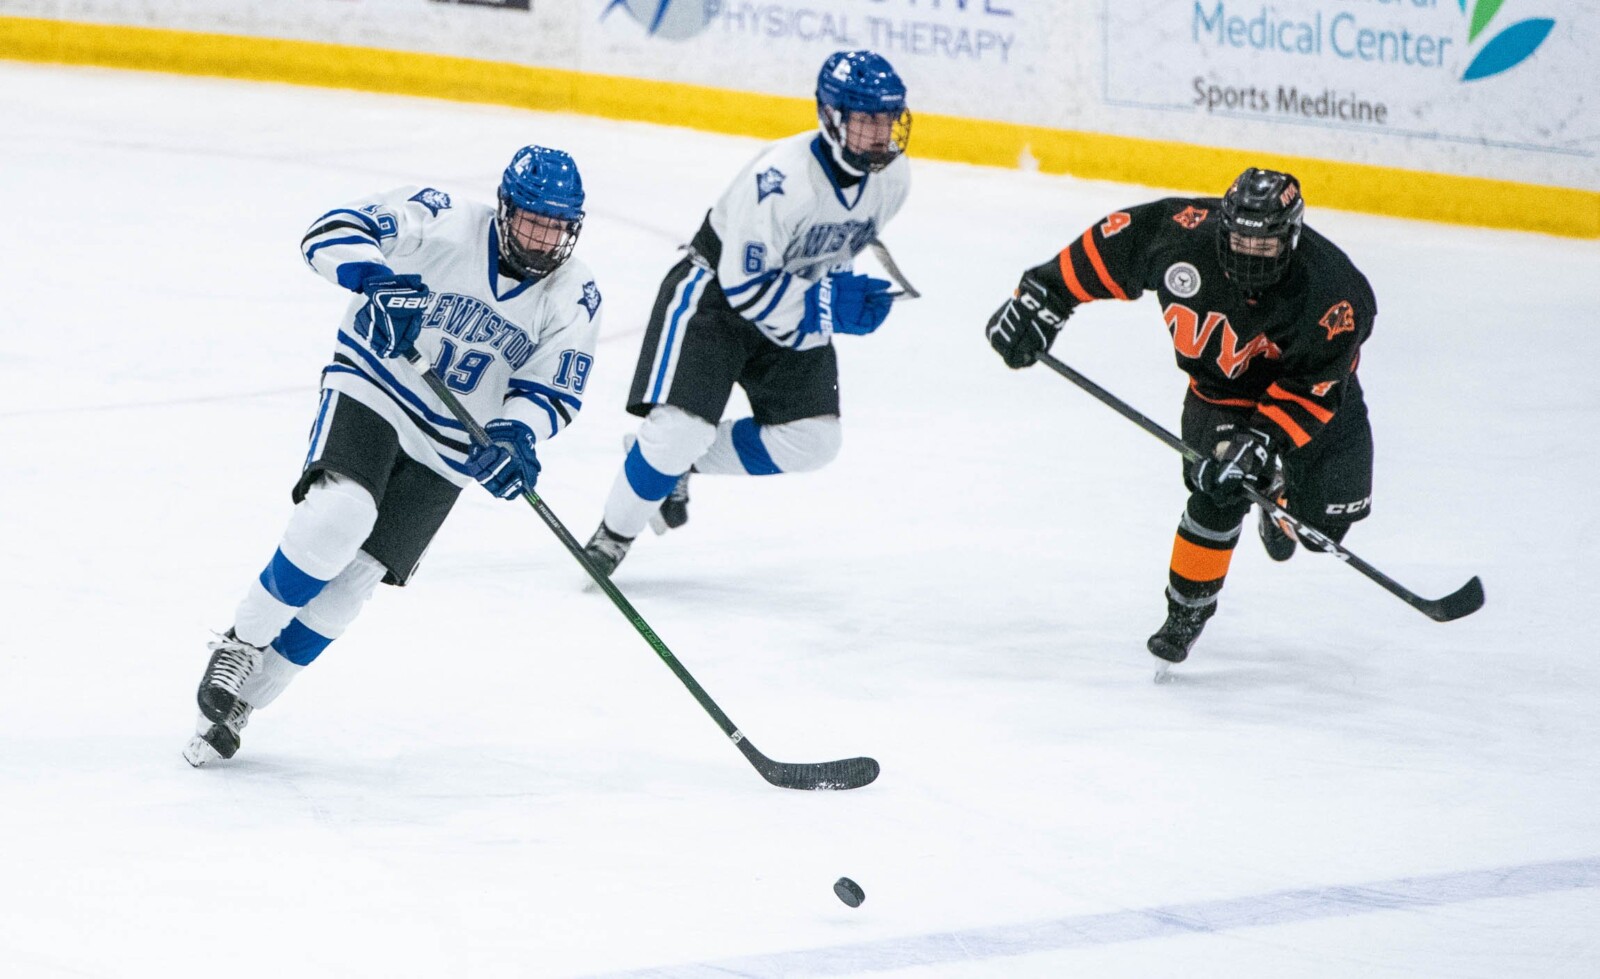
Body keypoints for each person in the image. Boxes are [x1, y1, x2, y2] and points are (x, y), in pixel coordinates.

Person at [184, 145, 603, 765]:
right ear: (505, 209)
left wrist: (516, 435)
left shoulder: (576, 294)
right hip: (374, 391)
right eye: (532, 222)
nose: (542, 241)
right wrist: (375, 280)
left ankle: (254, 694)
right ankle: (241, 644)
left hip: (453, 445)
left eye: (555, 228)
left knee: (354, 581)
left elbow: (551, 387)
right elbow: (331, 231)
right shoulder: (443, 218)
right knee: (338, 517)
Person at [985, 167, 1377, 665]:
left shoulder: (1335, 293)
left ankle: (1278, 499)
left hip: (1309, 395)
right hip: (1221, 393)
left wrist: (1263, 439)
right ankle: (1185, 615)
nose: (1247, 254)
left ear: (1292, 237)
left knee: (1323, 529)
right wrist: (1044, 295)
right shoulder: (1182, 234)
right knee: (1219, 484)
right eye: (1239, 239)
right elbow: (1110, 248)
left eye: (1265, 245)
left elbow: (1316, 387)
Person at [580, 49, 913, 576]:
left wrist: (843, 295)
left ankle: (676, 465)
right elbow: (744, 289)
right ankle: (613, 534)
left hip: (792, 298)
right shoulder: (782, 179)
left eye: (887, 119)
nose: (880, 132)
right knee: (678, 430)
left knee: (815, 440)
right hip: (713, 299)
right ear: (831, 116)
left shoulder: (894, 181)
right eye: (865, 119)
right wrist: (825, 307)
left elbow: (836, 249)